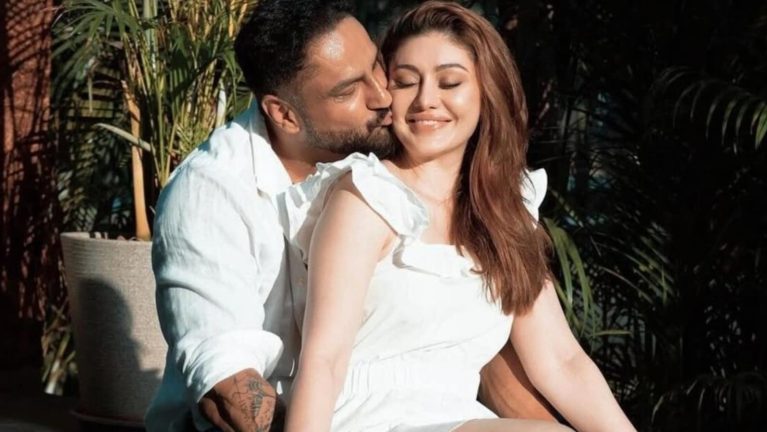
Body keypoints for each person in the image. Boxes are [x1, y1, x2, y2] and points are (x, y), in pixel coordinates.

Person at [145, 0, 551, 430]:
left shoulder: (387, 162)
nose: (383, 97)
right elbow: (228, 390)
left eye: (378, 67)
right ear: (285, 114)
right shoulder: (214, 194)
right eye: (348, 90)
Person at [282, 2, 637, 432]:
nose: (426, 100)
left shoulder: (505, 210)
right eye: (405, 82)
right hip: (367, 417)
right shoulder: (367, 197)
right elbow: (324, 360)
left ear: (487, 92)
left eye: (449, 82)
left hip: (458, 416)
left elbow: (561, 361)